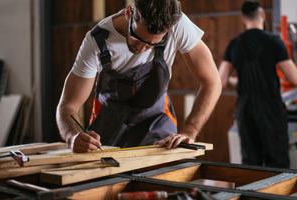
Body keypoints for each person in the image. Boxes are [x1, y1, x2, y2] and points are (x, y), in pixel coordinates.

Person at [56, 0, 221, 153]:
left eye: (153, 44)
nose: (143, 49)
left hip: (158, 132)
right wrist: (72, 136)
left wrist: (189, 131)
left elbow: (212, 82)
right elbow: (67, 107)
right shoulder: (97, 42)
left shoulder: (177, 25)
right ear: (129, 13)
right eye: (137, 40)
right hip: (108, 134)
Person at [218, 0, 297, 168]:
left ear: (243, 19)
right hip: (269, 109)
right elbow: (295, 78)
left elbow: (220, 80)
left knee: (250, 164)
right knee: (277, 163)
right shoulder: (273, 42)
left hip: (245, 110)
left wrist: (238, 80)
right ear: (262, 14)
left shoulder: (235, 44)